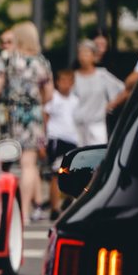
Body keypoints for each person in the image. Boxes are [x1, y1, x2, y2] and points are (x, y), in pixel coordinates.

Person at [0, 21, 52, 221]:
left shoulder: (7, 59)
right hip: (32, 115)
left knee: (4, 162)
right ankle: (23, 212)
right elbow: (49, 94)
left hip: (10, 114)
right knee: (29, 165)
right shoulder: (42, 62)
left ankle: (0, 209)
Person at [72, 38, 125, 146]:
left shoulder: (102, 75)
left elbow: (123, 89)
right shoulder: (73, 77)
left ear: (94, 55)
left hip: (97, 126)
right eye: (81, 53)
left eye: (86, 53)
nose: (83, 56)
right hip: (76, 127)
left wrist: (112, 104)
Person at [44, 70, 80, 218]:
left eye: (69, 81)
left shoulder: (75, 100)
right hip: (57, 139)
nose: (65, 85)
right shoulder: (54, 99)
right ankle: (54, 208)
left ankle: (68, 198)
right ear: (57, 82)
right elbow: (45, 116)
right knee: (56, 173)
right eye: (62, 81)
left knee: (72, 172)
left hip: (73, 140)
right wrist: (44, 138)